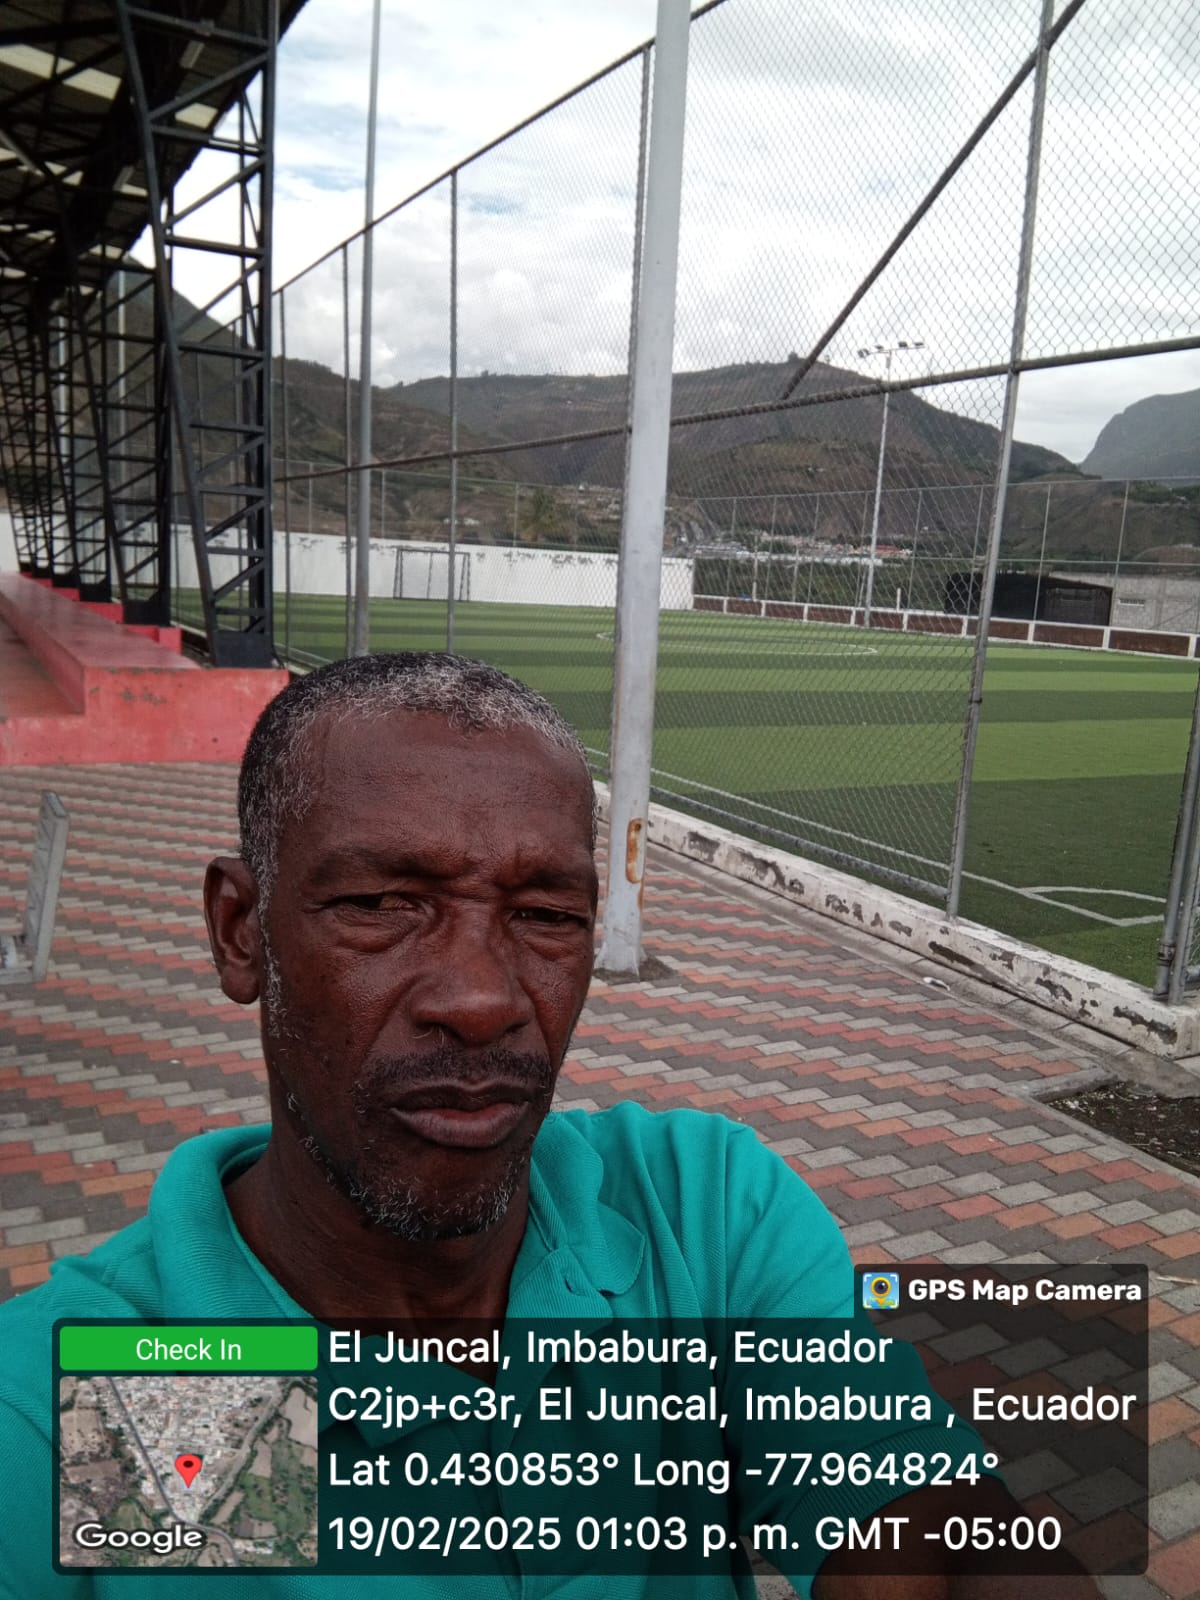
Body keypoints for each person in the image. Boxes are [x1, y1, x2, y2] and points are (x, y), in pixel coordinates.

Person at [0, 653, 1096, 1600]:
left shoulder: (699, 1210)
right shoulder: (76, 1400)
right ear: (241, 932)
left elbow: (926, 1523)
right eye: (382, 904)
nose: (482, 998)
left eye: (546, 915)